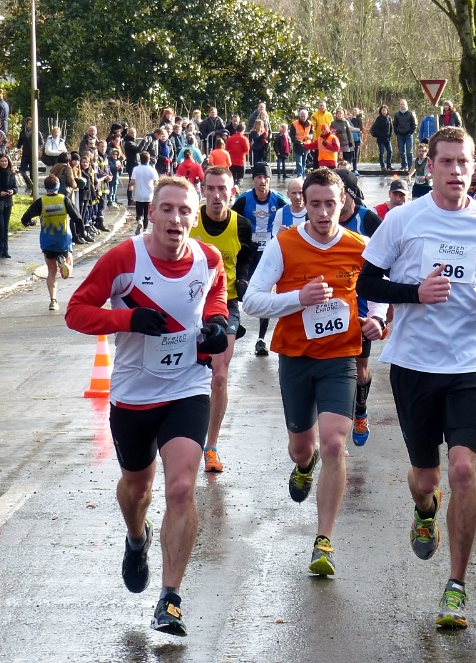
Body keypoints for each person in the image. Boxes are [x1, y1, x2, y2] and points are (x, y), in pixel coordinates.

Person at [356, 126, 476, 629]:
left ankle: (456, 586)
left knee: (463, 469)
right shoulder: (403, 219)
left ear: (474, 166)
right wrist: (413, 293)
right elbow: (367, 281)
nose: (456, 171)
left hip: (468, 365)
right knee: (426, 478)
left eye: (463, 162)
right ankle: (425, 509)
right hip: (414, 366)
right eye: (446, 161)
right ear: (430, 167)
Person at [65, 176, 229, 637]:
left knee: (180, 488)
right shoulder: (124, 259)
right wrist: (128, 318)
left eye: (185, 211)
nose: (176, 218)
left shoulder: (208, 258)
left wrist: (217, 323)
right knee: (137, 490)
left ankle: (170, 598)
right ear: (151, 213)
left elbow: (216, 296)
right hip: (134, 395)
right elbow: (76, 311)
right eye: (167, 209)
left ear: (195, 217)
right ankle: (136, 539)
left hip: (187, 387)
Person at [243, 167, 387, 576]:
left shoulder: (360, 246)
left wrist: (377, 319)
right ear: (303, 205)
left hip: (340, 358)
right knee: (301, 448)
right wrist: (297, 298)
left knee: (334, 445)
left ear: (344, 203)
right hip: (295, 358)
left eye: (331, 204)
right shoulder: (284, 245)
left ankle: (323, 540)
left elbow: (381, 291)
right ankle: (304, 466)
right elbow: (252, 301)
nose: (324, 213)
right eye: (315, 204)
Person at [189, 166, 256, 473]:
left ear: (232, 191)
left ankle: (211, 447)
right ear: (203, 190)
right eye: (211, 188)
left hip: (225, 302)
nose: (216, 195)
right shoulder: (191, 220)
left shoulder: (241, 225)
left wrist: (243, 281)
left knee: (219, 375)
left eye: (222, 189)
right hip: (190, 301)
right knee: (188, 371)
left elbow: (244, 261)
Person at [335, 170, 383, 445]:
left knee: (360, 369)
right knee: (333, 368)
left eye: (342, 194)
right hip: (330, 305)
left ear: (350, 195)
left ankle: (361, 410)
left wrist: (385, 307)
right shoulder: (322, 218)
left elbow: (389, 259)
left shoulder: (368, 220)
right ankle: (336, 421)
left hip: (362, 305)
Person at [232, 162, 289, 356]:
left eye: (265, 177)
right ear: (254, 179)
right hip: (248, 252)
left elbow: (292, 216)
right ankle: (234, 323)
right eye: (258, 177)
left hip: (269, 253)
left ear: (269, 179)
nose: (262, 181)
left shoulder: (278, 200)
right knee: (241, 289)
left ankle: (261, 338)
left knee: (265, 292)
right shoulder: (243, 200)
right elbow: (230, 220)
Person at [20, 175, 79, 312]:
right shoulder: (64, 200)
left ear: (45, 187)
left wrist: (30, 222)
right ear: (58, 186)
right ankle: (64, 265)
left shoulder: (41, 202)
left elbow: (24, 218)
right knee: (68, 269)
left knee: (51, 272)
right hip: (63, 239)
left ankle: (53, 301)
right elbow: (77, 217)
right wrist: (80, 232)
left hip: (47, 242)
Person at [130, 152, 160, 234]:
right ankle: (145, 229)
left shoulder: (136, 169)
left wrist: (130, 186)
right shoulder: (152, 170)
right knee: (147, 213)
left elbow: (132, 181)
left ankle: (139, 220)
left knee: (139, 212)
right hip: (149, 195)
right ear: (149, 159)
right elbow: (156, 182)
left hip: (139, 195)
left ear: (140, 159)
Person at [16, 118, 41, 193]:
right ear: (26, 124)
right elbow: (19, 143)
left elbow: (41, 143)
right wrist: (16, 150)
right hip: (25, 155)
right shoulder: (23, 132)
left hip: (33, 155)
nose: (31, 125)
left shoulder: (37, 133)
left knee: (32, 172)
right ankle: (29, 185)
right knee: (22, 171)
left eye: (33, 123)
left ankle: (33, 187)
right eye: (30, 123)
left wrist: (38, 149)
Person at [393, 99, 417, 170]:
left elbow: (414, 124)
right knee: (401, 152)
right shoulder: (397, 115)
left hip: (408, 134)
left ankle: (410, 166)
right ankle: (404, 165)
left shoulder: (410, 113)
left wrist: (411, 132)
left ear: (406, 105)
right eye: (401, 104)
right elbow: (394, 125)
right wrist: (397, 132)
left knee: (409, 152)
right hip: (400, 135)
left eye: (403, 104)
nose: (402, 105)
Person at [370, 105, 394, 171]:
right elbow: (375, 128)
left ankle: (389, 165)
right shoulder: (379, 119)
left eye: (385, 110)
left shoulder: (389, 118)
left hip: (387, 138)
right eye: (383, 110)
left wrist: (390, 135)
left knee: (390, 151)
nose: (384, 112)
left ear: (387, 111)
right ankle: (382, 166)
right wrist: (380, 134)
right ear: (380, 111)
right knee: (382, 152)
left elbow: (391, 127)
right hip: (380, 139)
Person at [291, 110, 313, 178]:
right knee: (299, 162)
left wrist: (310, 136)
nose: (303, 118)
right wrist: (297, 141)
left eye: (304, 116)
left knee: (304, 162)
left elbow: (312, 132)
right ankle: (299, 175)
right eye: (302, 116)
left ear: (307, 116)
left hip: (306, 145)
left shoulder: (310, 123)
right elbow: (292, 135)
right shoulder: (294, 124)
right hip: (298, 145)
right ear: (299, 116)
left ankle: (303, 175)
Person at [349, 108, 364, 175]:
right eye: (354, 110)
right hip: (350, 138)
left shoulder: (359, 119)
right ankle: (349, 168)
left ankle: (355, 169)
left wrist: (360, 136)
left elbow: (361, 129)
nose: (355, 112)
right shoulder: (350, 119)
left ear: (358, 112)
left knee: (355, 155)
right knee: (350, 155)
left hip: (356, 138)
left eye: (356, 111)